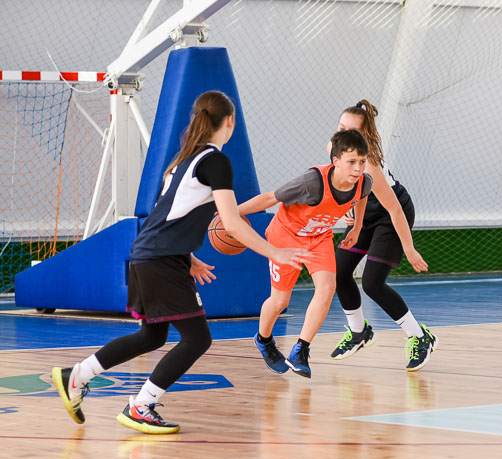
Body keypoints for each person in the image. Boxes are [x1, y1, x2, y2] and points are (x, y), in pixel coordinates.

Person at [52, 91, 310, 434]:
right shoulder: (216, 161)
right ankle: (140, 406)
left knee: (152, 335)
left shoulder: (183, 160)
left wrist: (188, 257)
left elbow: (166, 216)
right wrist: (276, 252)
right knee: (197, 338)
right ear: (230, 121)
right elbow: (231, 223)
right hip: (160, 259)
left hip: (149, 255)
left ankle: (77, 376)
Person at [239, 129, 373, 378]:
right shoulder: (312, 182)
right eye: (351, 162)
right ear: (336, 161)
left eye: (362, 162)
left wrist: (357, 225)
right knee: (280, 301)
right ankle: (263, 340)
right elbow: (270, 198)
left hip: (319, 237)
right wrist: (233, 214)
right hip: (285, 237)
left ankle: (301, 349)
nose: (357, 168)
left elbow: (362, 196)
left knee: (326, 287)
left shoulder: (364, 181)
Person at [327, 100, 436, 372]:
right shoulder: (333, 149)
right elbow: (336, 186)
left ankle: (420, 336)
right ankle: (358, 332)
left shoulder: (371, 165)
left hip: (390, 215)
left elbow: (395, 210)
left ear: (364, 136)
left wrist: (409, 249)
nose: (343, 135)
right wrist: (343, 215)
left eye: (351, 131)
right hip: (363, 215)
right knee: (338, 272)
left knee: (372, 283)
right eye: (341, 128)